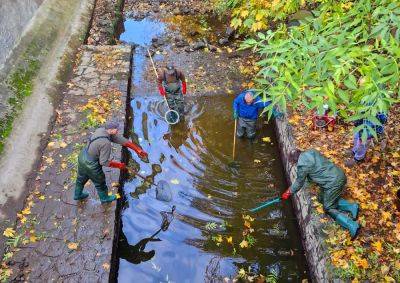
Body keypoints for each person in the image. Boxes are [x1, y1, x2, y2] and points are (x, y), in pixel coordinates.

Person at [281, 149, 360, 238]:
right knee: (320, 198)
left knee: (328, 208)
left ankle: (352, 225)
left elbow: (299, 183)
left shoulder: (303, 166)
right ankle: (352, 206)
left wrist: (288, 193)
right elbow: (316, 169)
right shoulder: (311, 152)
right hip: (338, 174)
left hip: (333, 183)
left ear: (295, 161)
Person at [74, 121, 148, 203]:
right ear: (111, 130)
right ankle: (104, 198)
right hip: (91, 164)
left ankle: (77, 194)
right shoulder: (106, 143)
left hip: (83, 156)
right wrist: (119, 165)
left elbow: (119, 139)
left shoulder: (101, 130)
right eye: (117, 129)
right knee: (100, 181)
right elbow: (104, 162)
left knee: (81, 178)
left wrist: (137, 149)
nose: (118, 131)